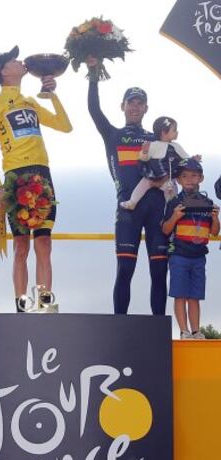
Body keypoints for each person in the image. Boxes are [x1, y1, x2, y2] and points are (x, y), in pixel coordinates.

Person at [0, 45, 72, 312]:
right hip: (15, 176)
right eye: (14, 60)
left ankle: (45, 303)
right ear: (4, 71)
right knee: (21, 245)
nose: (21, 62)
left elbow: (65, 126)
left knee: (44, 243)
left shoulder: (31, 102)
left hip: (42, 173)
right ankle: (21, 305)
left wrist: (51, 95)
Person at [87, 58, 168, 315]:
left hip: (156, 208)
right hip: (128, 210)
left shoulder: (156, 137)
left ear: (146, 108)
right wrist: (92, 73)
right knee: (125, 270)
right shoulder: (113, 135)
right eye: (130, 102)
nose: (135, 106)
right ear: (122, 106)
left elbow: (172, 167)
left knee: (159, 271)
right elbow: (94, 110)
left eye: (139, 103)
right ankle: (119, 325)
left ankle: (158, 328)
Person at [162, 158, 220, 339]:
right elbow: (165, 229)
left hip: (199, 256)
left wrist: (216, 217)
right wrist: (175, 216)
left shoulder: (207, 201)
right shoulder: (173, 202)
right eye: (185, 176)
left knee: (194, 296)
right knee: (180, 294)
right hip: (179, 254)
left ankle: (196, 330)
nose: (189, 180)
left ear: (201, 178)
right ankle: (184, 331)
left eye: (194, 176)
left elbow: (214, 232)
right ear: (178, 180)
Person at [120, 116, 190, 210]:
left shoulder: (176, 146)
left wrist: (193, 159)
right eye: (174, 130)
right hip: (152, 176)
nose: (177, 132)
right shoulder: (153, 145)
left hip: (168, 178)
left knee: (172, 196)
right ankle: (132, 202)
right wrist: (144, 151)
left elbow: (185, 159)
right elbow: (143, 159)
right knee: (142, 184)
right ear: (164, 133)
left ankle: (172, 211)